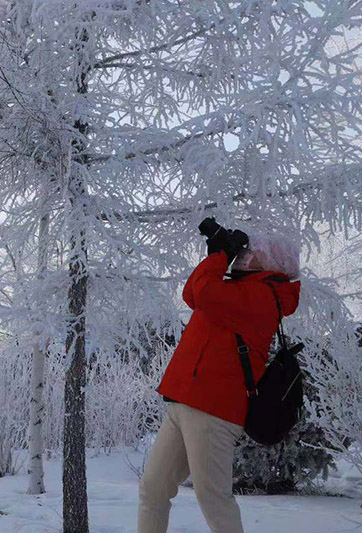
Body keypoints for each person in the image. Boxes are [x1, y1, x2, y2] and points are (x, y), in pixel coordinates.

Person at [137, 221, 301, 533]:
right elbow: (192, 293)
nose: (247, 254)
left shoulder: (267, 296)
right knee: (153, 489)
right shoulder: (237, 288)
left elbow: (205, 292)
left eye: (255, 252)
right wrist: (217, 255)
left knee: (213, 498)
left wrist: (220, 256)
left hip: (214, 409)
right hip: (186, 399)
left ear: (274, 262)